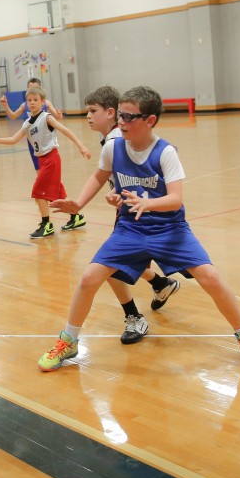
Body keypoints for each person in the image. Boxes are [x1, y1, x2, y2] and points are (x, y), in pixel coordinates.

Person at [40, 85, 240, 373]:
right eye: (120, 115)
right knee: (88, 278)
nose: (121, 121)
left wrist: (147, 204)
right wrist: (79, 204)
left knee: (210, 276)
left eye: (129, 116)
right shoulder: (113, 147)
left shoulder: (165, 152)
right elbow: (99, 177)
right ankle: (69, 340)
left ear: (150, 120)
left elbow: (176, 199)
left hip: (169, 229)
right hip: (130, 229)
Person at [83, 85, 181, 344]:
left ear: (111, 113)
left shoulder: (118, 140)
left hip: (142, 212)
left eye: (93, 111)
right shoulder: (112, 140)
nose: (88, 116)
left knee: (111, 268)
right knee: (116, 266)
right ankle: (160, 283)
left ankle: (134, 317)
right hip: (130, 208)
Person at [0, 86, 91, 238]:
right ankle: (76, 217)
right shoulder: (27, 123)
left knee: (39, 191)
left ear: (43, 102)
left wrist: (81, 146)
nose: (32, 103)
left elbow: (65, 130)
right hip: (42, 159)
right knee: (58, 191)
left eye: (35, 100)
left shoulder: (46, 117)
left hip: (52, 158)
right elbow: (13, 139)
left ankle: (47, 225)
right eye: (29, 100)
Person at [1, 77, 62, 171]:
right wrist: (6, 106)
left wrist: (58, 115)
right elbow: (13, 116)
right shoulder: (25, 104)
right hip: (33, 139)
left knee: (48, 167)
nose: (33, 91)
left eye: (35, 88)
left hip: (45, 139)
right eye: (30, 89)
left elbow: (57, 117)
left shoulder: (46, 103)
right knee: (38, 167)